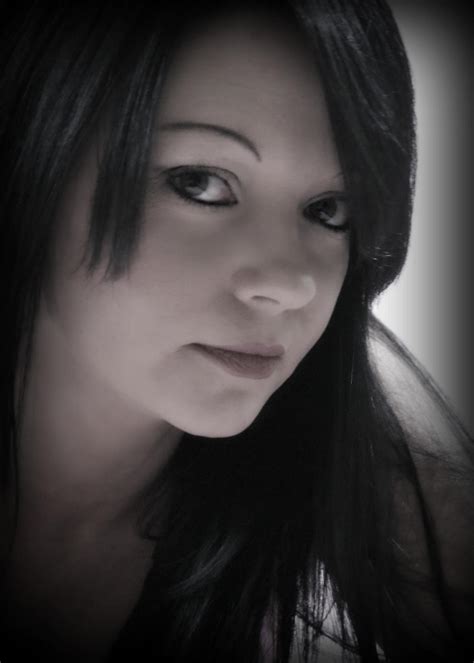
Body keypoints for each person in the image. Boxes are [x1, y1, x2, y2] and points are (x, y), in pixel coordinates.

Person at [0, 1, 472, 661]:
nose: (293, 283)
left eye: (328, 210)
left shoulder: (341, 490)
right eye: (199, 183)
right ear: (33, 155)